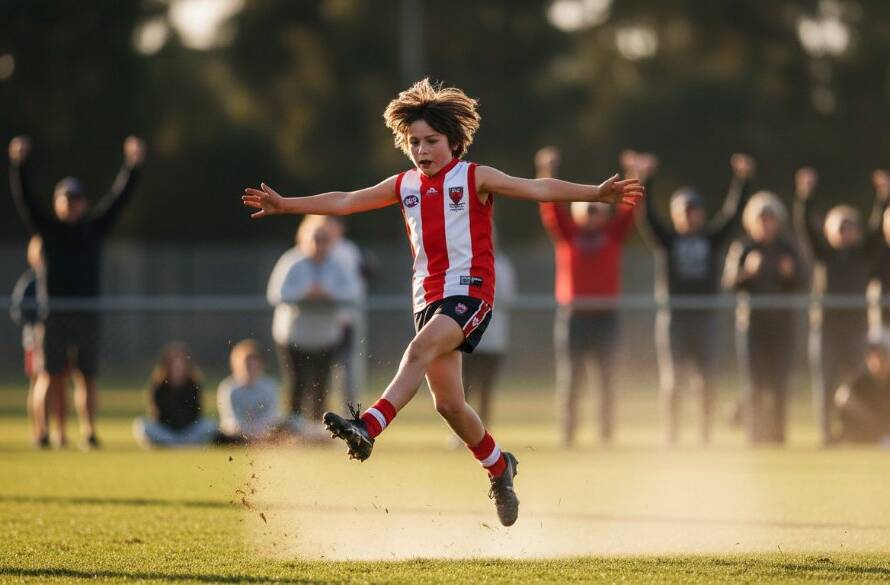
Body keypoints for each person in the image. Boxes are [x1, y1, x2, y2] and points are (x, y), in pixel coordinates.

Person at [242, 78, 644, 526]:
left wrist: (594, 193)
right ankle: (499, 466)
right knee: (449, 406)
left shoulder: (474, 177)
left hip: (471, 292)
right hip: (427, 299)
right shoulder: (405, 185)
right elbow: (345, 200)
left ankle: (368, 426)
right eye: (414, 142)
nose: (422, 149)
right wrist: (286, 205)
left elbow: (537, 188)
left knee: (416, 352)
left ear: (453, 142)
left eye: (431, 141)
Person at [9, 135, 144, 449]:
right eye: (66, 199)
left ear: (83, 202)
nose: (71, 204)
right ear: (58, 202)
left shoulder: (93, 229)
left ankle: (88, 432)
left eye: (76, 199)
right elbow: (25, 200)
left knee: (87, 376)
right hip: (53, 314)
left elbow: (118, 198)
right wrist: (19, 166)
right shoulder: (49, 229)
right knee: (49, 376)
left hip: (86, 313)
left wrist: (133, 167)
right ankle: (46, 433)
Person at [633, 151, 754, 445]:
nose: (689, 215)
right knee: (673, 382)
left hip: (705, 318)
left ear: (700, 212)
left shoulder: (710, 239)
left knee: (706, 381)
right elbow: (648, 217)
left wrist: (742, 181)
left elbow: (731, 216)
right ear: (676, 215)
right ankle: (672, 433)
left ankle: (704, 434)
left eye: (694, 210)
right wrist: (646, 178)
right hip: (675, 318)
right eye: (684, 211)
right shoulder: (669, 241)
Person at [537, 146, 636, 446]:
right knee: (571, 380)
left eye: (597, 210)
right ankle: (568, 433)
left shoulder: (613, 233)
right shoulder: (569, 235)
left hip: (606, 315)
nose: (592, 215)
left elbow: (630, 207)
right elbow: (550, 208)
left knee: (606, 380)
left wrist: (634, 173)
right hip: (574, 316)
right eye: (588, 209)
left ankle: (606, 433)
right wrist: (546, 171)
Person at [793, 167, 887, 445]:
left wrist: (883, 197)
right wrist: (805, 196)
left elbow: (876, 228)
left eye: (850, 228)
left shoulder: (862, 254)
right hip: (827, 329)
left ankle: (858, 432)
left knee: (858, 386)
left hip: (856, 330)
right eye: (840, 228)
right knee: (825, 385)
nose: (846, 233)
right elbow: (805, 228)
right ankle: (826, 434)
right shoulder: (824, 255)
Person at [724, 192, 805, 444]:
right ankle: (755, 436)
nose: (766, 223)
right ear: (752, 221)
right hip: (752, 327)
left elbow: (804, 281)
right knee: (754, 385)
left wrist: (790, 274)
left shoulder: (787, 247)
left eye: (770, 218)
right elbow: (729, 283)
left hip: (782, 327)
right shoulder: (744, 248)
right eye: (761, 218)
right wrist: (747, 272)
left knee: (779, 384)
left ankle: (779, 436)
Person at [267, 216, 362, 430]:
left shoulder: (339, 264)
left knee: (321, 387)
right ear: (303, 238)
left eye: (324, 239)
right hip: (293, 336)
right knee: (296, 384)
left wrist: (329, 295)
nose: (319, 244)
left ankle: (316, 431)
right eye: (314, 238)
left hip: (326, 337)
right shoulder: (292, 261)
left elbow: (354, 293)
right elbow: (276, 294)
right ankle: (294, 429)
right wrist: (305, 294)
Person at [462, 250, 517, 428]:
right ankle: (462, 430)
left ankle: (483, 429)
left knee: (485, 388)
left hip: (493, 339)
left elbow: (508, 297)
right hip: (467, 336)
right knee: (464, 387)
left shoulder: (501, 265)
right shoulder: (465, 263)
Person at [132, 343, 217, 448]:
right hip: (167, 432)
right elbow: (156, 415)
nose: (179, 369)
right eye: (175, 366)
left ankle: (178, 444)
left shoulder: (193, 385)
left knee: (210, 425)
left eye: (181, 365)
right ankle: (179, 444)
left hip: (189, 431)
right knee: (141, 425)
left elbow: (197, 413)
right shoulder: (159, 386)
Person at [9, 235, 49, 447]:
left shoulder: (54, 279)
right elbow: (18, 310)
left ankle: (51, 429)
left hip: (51, 339)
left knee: (51, 382)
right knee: (37, 383)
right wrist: (35, 323)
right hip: (35, 340)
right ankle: (38, 430)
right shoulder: (31, 281)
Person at [217, 339, 281, 443]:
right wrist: (247, 432)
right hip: (237, 435)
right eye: (246, 364)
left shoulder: (270, 386)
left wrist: (259, 431)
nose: (250, 369)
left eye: (253, 364)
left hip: (265, 433)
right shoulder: (228, 388)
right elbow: (230, 419)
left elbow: (272, 415)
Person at [834, 335, 890, 444]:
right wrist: (866, 414)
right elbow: (841, 397)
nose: (879, 363)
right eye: (875, 358)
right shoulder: (861, 380)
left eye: (882, 358)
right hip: (865, 429)